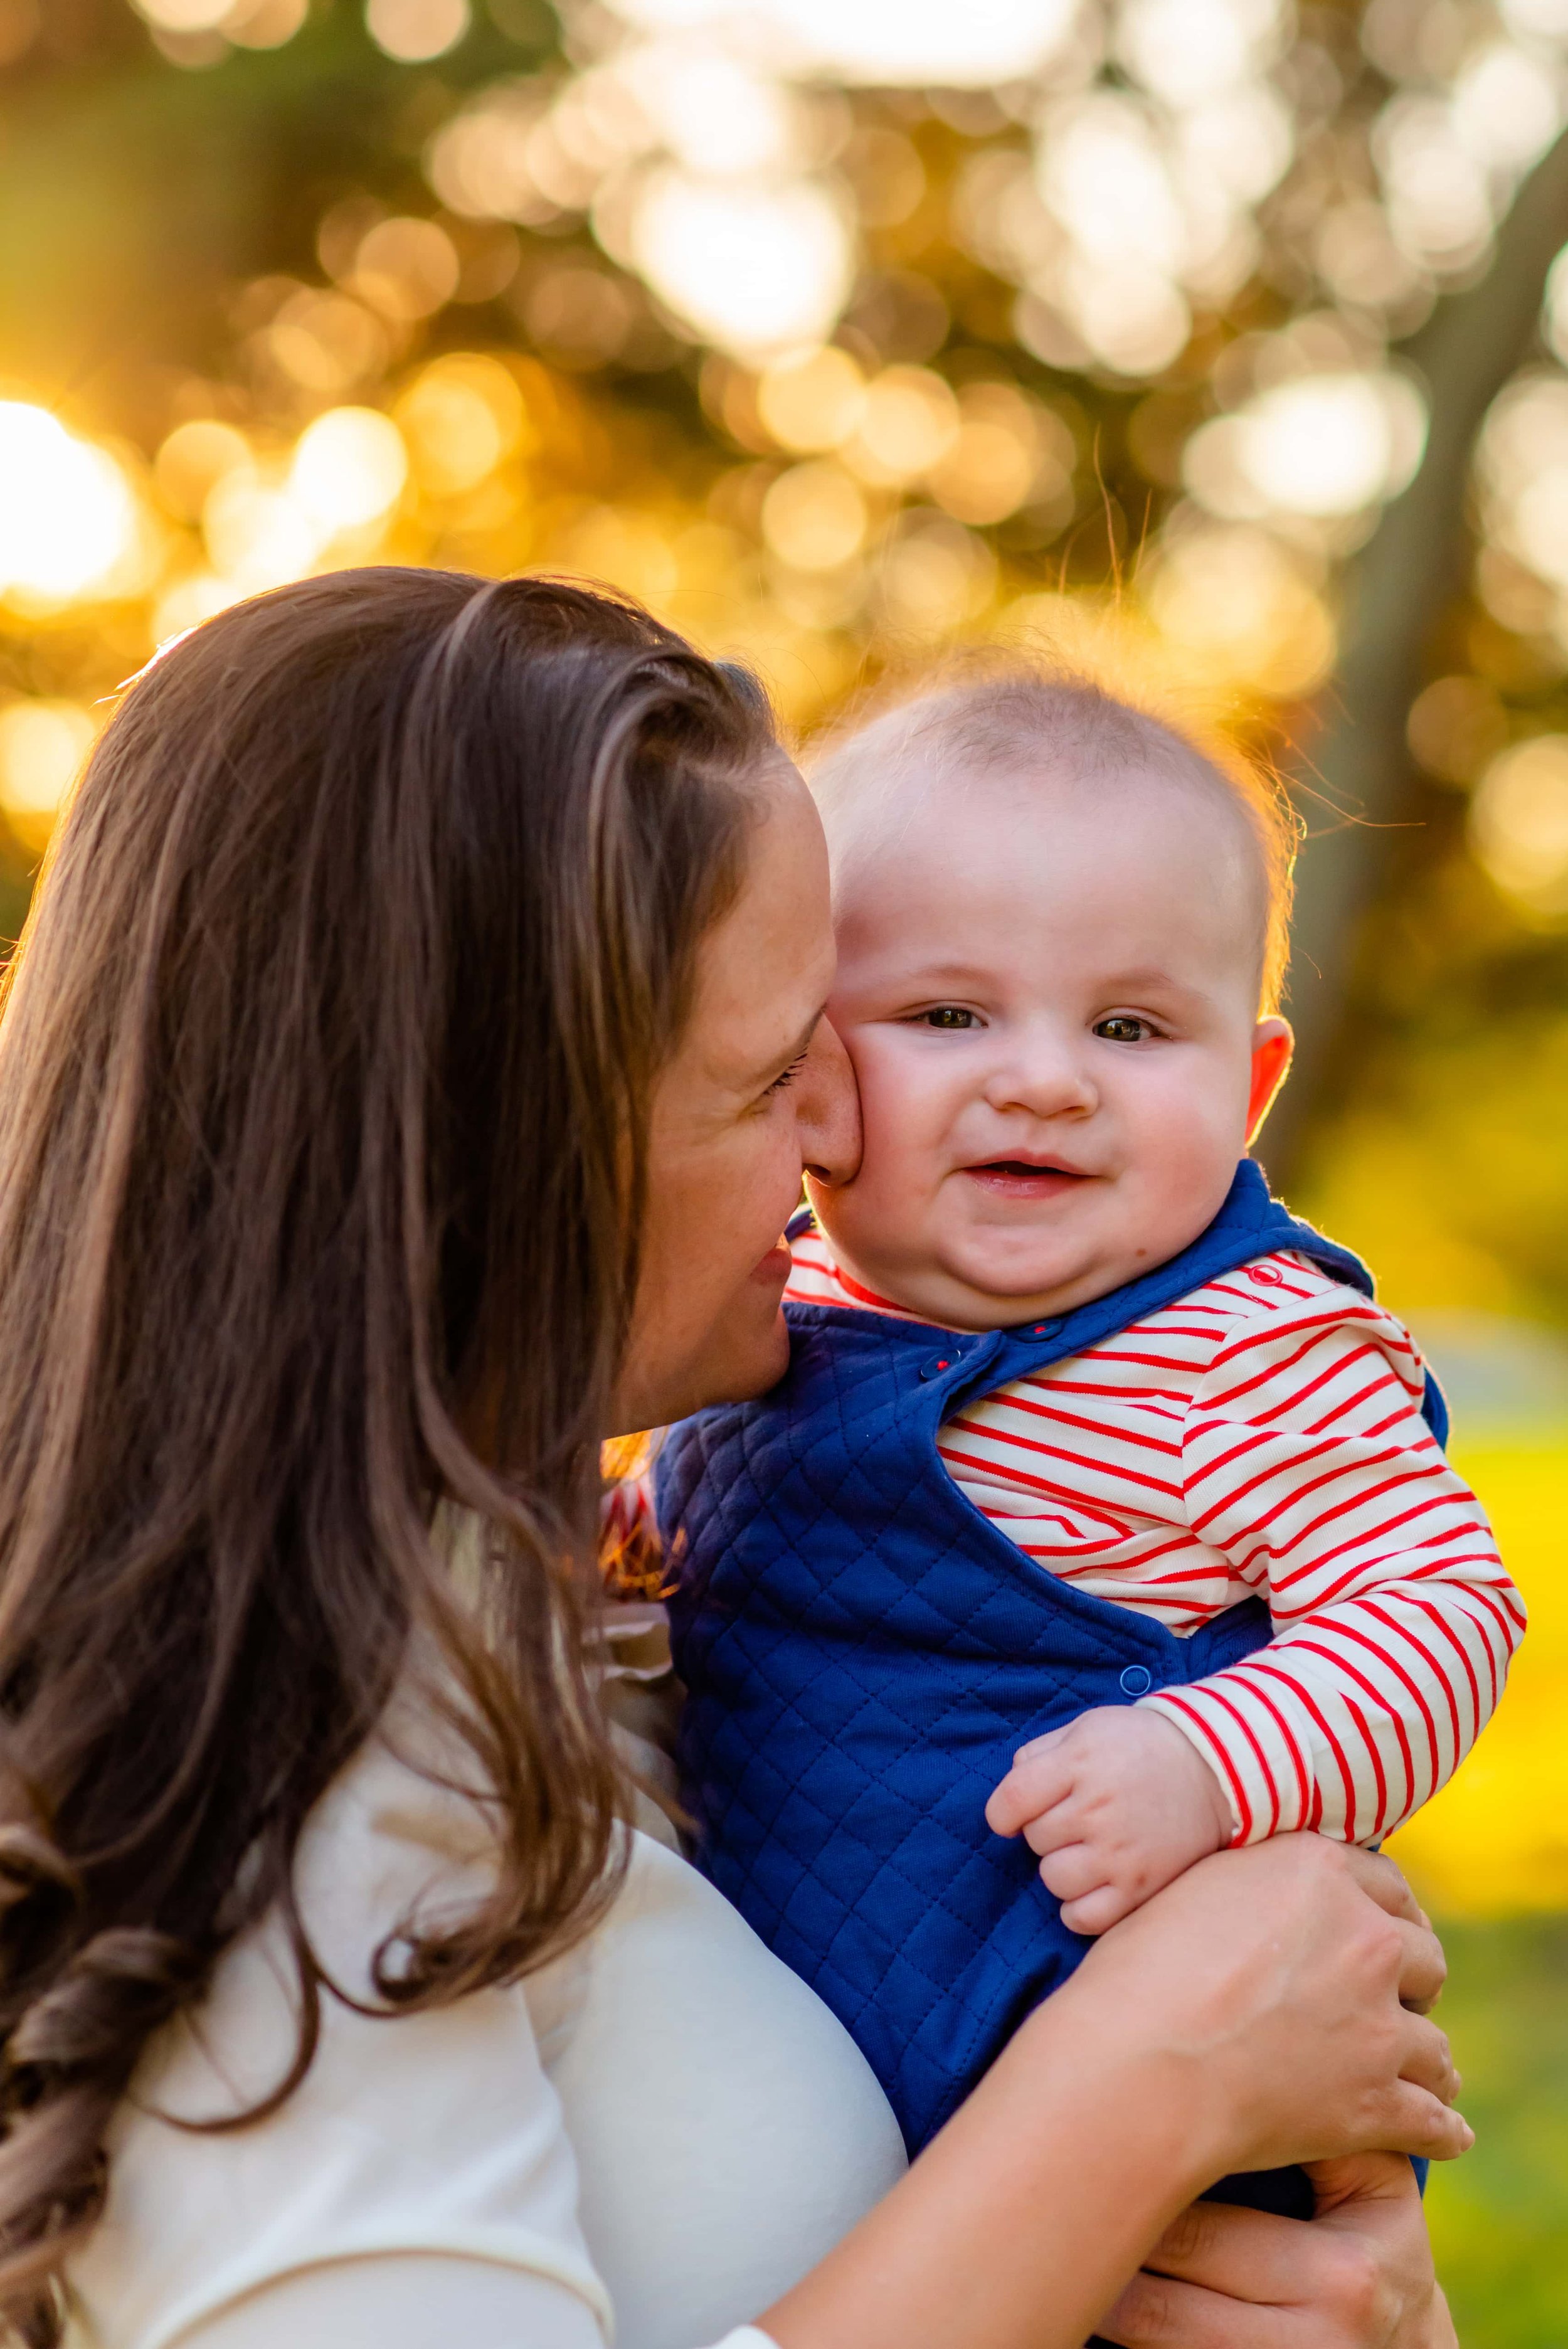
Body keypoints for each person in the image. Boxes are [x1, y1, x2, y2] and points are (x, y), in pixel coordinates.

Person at [0, 570, 1465, 2349]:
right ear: (515, 1126)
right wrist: (1144, 2085)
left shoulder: (526, 1597)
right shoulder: (274, 1758)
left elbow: (1421, 1603)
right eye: (788, 1066)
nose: (852, 1133)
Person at [655, 673, 1520, 2206]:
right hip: (810, 2096)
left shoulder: (1241, 1349)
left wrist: (1206, 1757)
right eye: (946, 1013)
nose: (1044, 1078)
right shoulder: (742, 1296)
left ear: (1247, 1088)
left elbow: (1443, 1609)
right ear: (807, 1064)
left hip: (1122, 2136)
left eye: (1128, 1026)